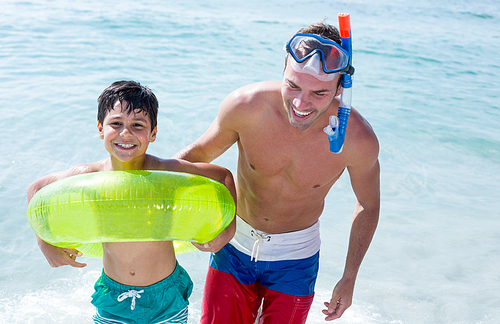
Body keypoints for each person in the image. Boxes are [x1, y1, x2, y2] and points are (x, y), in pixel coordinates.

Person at [173, 21, 380, 323]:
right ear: (284, 66)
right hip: (233, 248)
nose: (300, 103)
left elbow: (369, 204)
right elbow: (194, 158)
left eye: (319, 93)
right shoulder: (246, 106)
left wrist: (349, 277)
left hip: (296, 262)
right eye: (293, 85)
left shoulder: (357, 139)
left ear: (341, 88)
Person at [27, 81, 237, 324]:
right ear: (100, 129)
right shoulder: (90, 176)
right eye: (116, 124)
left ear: (153, 133)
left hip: (165, 298)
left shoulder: (167, 173)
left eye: (137, 125)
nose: (125, 133)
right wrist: (45, 244)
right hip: (114, 299)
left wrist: (227, 231)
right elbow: (37, 189)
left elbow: (222, 176)